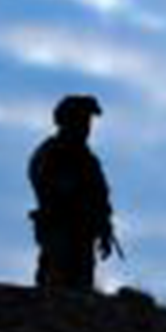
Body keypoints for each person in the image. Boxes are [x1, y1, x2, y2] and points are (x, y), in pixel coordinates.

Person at [28, 94, 117, 290]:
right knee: (55, 288)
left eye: (88, 121)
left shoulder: (88, 160)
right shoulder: (51, 153)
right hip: (60, 232)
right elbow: (48, 188)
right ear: (67, 121)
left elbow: (101, 196)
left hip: (83, 237)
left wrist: (104, 228)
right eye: (81, 120)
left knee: (81, 293)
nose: (86, 126)